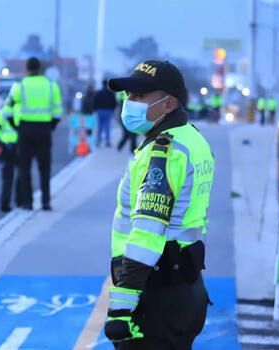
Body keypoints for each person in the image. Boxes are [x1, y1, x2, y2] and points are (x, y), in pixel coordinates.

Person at [104, 60, 214, 349]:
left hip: (156, 294)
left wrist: (121, 308)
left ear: (168, 104)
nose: (130, 102)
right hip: (185, 286)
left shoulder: (164, 153)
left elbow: (147, 234)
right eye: (128, 95)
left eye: (140, 96)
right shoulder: (192, 138)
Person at [5, 57, 63, 211]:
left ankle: (27, 202)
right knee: (45, 168)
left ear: (26, 69)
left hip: (25, 129)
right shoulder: (52, 86)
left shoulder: (20, 86)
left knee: (24, 168)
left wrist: (16, 126)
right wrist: (50, 127)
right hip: (44, 129)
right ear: (41, 69)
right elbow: (58, 112)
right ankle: (45, 202)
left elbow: (7, 110)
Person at [0, 103, 20, 212]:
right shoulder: (22, 110)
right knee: (22, 175)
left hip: (6, 147)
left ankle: (5, 203)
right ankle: (20, 201)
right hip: (21, 146)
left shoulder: (2, 112)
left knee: (7, 177)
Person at [94, 79, 117, 148]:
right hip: (108, 111)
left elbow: (95, 101)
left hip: (100, 111)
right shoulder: (111, 93)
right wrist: (113, 109)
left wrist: (95, 109)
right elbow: (114, 102)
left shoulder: (98, 93)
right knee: (107, 126)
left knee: (99, 126)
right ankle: (107, 141)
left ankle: (98, 141)